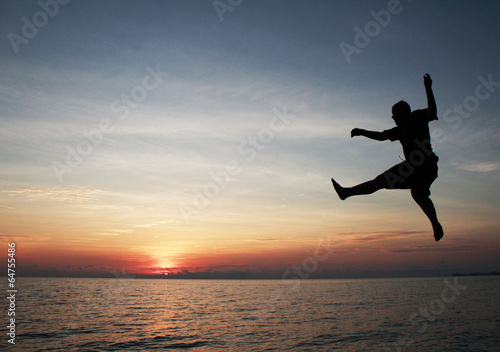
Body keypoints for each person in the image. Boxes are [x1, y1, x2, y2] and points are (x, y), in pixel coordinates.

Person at [331, 74, 444, 242]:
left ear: (404, 112)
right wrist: (362, 131)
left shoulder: (417, 117)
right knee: (417, 193)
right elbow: (381, 136)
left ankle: (347, 193)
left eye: (394, 114)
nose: (392, 117)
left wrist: (428, 88)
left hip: (423, 166)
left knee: (391, 185)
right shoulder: (399, 130)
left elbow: (432, 112)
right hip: (415, 168)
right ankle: (436, 225)